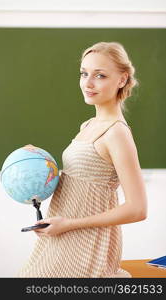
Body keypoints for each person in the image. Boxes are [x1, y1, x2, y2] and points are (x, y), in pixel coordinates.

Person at [18, 41, 147, 278]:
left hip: (86, 244)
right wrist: (35, 159)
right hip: (61, 235)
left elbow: (137, 209)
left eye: (100, 75)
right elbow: (78, 181)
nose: (88, 83)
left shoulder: (117, 133)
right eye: (84, 73)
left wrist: (68, 224)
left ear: (121, 80)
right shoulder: (88, 126)